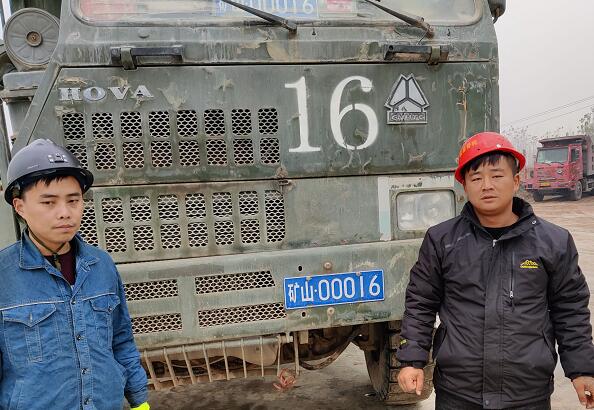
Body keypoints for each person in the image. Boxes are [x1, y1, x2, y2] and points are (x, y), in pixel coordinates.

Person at [396, 132, 594, 409]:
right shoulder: (442, 240)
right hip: (458, 391)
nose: (487, 185)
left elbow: (570, 308)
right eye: (476, 178)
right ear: (465, 186)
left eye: (497, 175)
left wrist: (582, 369)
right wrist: (412, 360)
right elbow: (421, 302)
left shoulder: (554, 241)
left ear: (516, 181)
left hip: (527, 392)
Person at [0, 139, 149, 410]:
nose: (65, 213)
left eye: (73, 200)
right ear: (20, 207)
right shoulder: (4, 275)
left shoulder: (101, 265)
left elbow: (121, 340)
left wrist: (140, 401)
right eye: (49, 202)